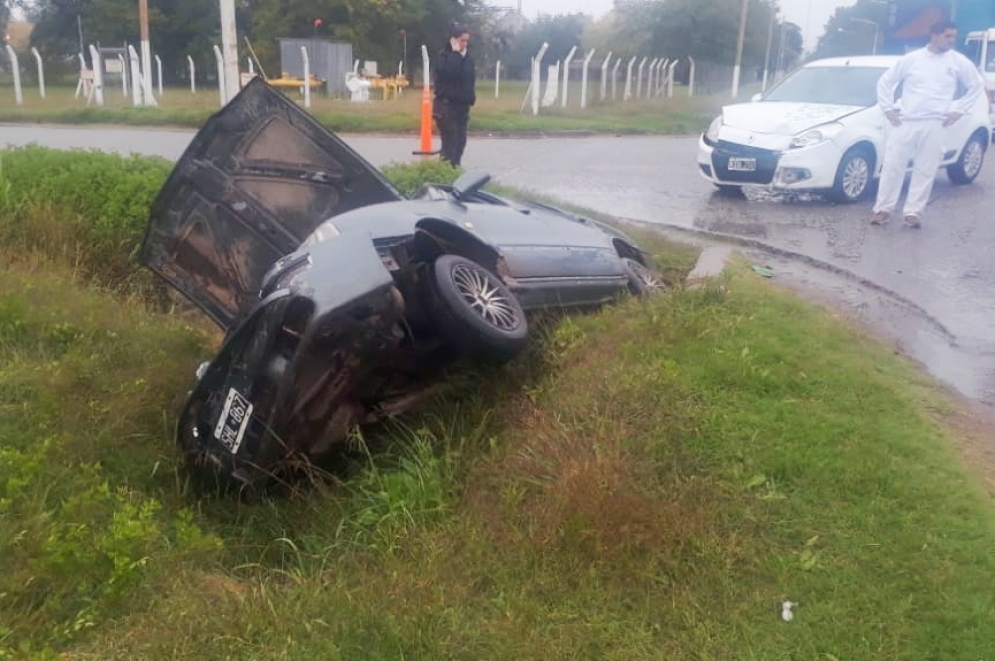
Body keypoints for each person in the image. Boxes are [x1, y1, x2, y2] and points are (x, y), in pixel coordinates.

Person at [870, 20, 984, 229]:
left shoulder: (958, 62)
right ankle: (883, 209)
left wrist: (959, 111)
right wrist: (887, 108)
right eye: (947, 36)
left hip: (936, 122)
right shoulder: (912, 59)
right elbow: (885, 81)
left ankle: (913, 212)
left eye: (953, 36)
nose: (951, 40)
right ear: (934, 35)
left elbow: (976, 85)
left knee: (926, 168)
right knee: (893, 165)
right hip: (906, 120)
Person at [433, 24, 476, 167]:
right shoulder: (443, 57)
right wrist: (455, 54)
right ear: (453, 40)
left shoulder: (468, 58)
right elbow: (448, 73)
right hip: (446, 106)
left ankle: (455, 168)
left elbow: (469, 80)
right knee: (450, 144)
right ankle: (446, 171)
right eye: (462, 40)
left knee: (460, 143)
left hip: (462, 107)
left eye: (467, 41)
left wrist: (470, 98)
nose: (465, 44)